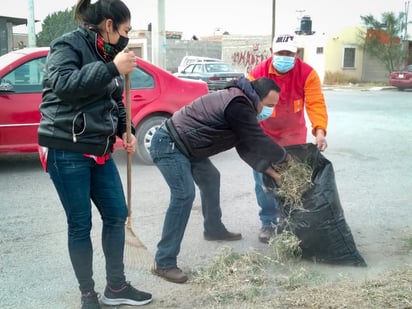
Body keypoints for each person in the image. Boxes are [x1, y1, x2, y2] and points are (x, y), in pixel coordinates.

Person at [37, 0, 152, 308]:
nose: (127, 37)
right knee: (80, 224)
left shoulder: (109, 52)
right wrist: (112, 68)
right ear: (109, 25)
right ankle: (88, 293)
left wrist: (125, 130)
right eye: (125, 30)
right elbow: (62, 84)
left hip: (99, 148)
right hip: (66, 147)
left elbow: (116, 99)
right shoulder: (68, 45)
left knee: (116, 214)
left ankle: (116, 286)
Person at [149, 77, 289, 284]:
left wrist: (274, 173)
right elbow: (258, 140)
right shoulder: (239, 105)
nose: (270, 111)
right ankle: (164, 262)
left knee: (211, 178)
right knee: (184, 195)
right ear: (256, 98)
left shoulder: (241, 105)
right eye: (269, 105)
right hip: (169, 143)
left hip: (189, 147)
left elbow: (246, 149)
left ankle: (213, 229)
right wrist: (285, 158)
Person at [247, 34, 328, 244]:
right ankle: (268, 222)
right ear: (271, 53)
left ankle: (293, 221)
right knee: (264, 183)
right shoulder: (257, 73)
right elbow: (246, 104)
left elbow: (315, 103)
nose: (285, 57)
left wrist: (319, 130)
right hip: (264, 137)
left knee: (295, 182)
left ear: (296, 54)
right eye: (280, 53)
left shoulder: (307, 74)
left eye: (289, 53)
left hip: (294, 139)